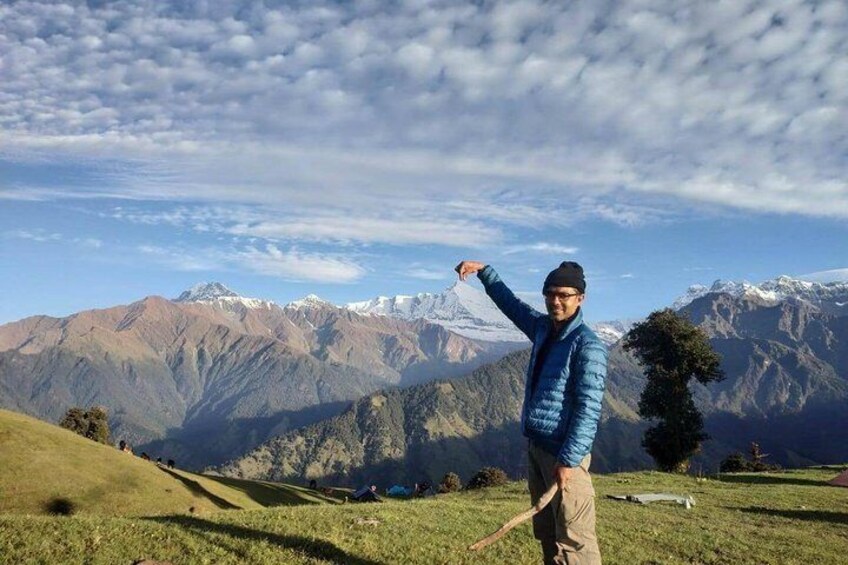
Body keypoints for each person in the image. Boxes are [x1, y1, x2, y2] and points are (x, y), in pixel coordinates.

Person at [455, 260, 608, 565]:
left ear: (580, 298)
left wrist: (568, 460)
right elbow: (511, 305)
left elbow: (588, 409)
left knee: (575, 540)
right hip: (538, 449)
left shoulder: (587, 346)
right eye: (550, 294)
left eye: (564, 295)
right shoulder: (543, 329)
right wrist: (485, 272)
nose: (555, 301)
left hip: (565, 456)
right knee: (547, 533)